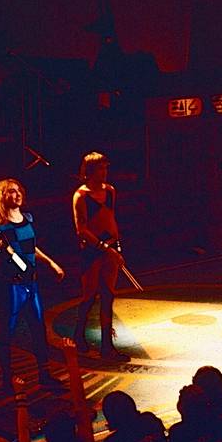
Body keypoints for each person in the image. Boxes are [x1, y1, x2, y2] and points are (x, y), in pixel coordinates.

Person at [0, 178, 65, 393]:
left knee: (38, 330)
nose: (17, 194)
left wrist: (51, 262)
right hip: (12, 287)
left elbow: (32, 248)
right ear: (3, 197)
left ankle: (44, 375)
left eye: (19, 190)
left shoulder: (27, 218)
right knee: (6, 333)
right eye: (11, 192)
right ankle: (6, 380)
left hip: (32, 283)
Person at [72, 151, 130, 362]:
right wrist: (105, 247)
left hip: (111, 247)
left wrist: (116, 246)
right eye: (100, 168)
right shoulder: (81, 196)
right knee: (89, 295)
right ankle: (79, 335)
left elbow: (111, 219)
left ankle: (107, 345)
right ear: (89, 171)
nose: (104, 172)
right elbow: (81, 229)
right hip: (93, 249)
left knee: (108, 295)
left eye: (106, 168)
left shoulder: (111, 191)